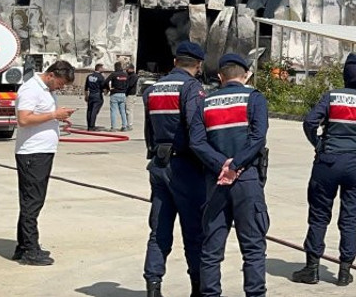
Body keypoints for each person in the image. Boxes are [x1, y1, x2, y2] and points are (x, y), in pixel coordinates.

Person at [291, 54, 356, 287]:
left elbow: (309, 122)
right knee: (350, 218)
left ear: (345, 76)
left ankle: (312, 269)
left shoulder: (331, 97)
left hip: (328, 163)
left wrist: (318, 144)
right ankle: (344, 271)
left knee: (318, 215)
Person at [190, 53, 269, 297]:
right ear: (245, 75)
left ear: (220, 76)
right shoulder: (254, 98)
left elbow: (197, 141)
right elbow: (258, 137)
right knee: (253, 248)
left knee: (211, 250)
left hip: (216, 181)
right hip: (246, 180)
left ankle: (210, 293)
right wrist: (236, 165)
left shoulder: (206, 102)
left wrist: (221, 165)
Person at [143, 42, 209, 297]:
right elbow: (196, 130)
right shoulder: (192, 88)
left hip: (159, 165)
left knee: (159, 230)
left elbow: (149, 130)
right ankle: (197, 288)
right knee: (194, 231)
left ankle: (153, 286)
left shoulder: (154, 88)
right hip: (186, 168)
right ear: (198, 65)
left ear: (174, 62)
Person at [13, 60, 77, 266]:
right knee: (32, 201)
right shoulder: (31, 89)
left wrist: (56, 116)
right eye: (60, 83)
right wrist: (54, 115)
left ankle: (24, 246)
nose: (61, 87)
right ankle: (30, 250)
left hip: (42, 151)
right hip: (33, 153)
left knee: (32, 200)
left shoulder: (46, 90)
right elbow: (23, 119)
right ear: (51, 75)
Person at [108, 61, 133, 132]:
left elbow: (106, 81)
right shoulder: (125, 75)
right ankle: (124, 126)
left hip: (115, 94)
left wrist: (108, 88)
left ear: (115, 67)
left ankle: (113, 127)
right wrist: (125, 89)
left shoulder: (113, 74)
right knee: (123, 111)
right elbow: (128, 84)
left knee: (113, 111)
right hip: (123, 94)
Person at [84, 63, 107, 131]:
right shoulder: (100, 77)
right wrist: (106, 91)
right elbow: (103, 87)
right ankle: (92, 126)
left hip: (91, 94)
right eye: (102, 68)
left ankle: (89, 126)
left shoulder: (89, 76)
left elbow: (86, 87)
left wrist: (86, 96)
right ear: (99, 68)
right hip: (97, 95)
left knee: (89, 110)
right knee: (94, 111)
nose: (103, 69)